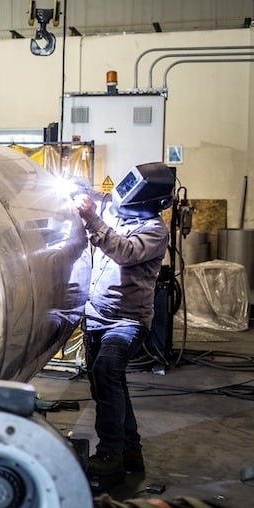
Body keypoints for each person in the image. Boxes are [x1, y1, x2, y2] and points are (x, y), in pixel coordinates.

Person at [74, 162, 173, 490]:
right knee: (107, 381)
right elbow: (99, 205)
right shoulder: (115, 209)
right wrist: (79, 193)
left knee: (107, 372)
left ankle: (110, 455)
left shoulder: (156, 231)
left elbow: (124, 251)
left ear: (146, 203)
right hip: (97, 315)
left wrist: (91, 219)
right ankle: (131, 452)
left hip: (128, 321)